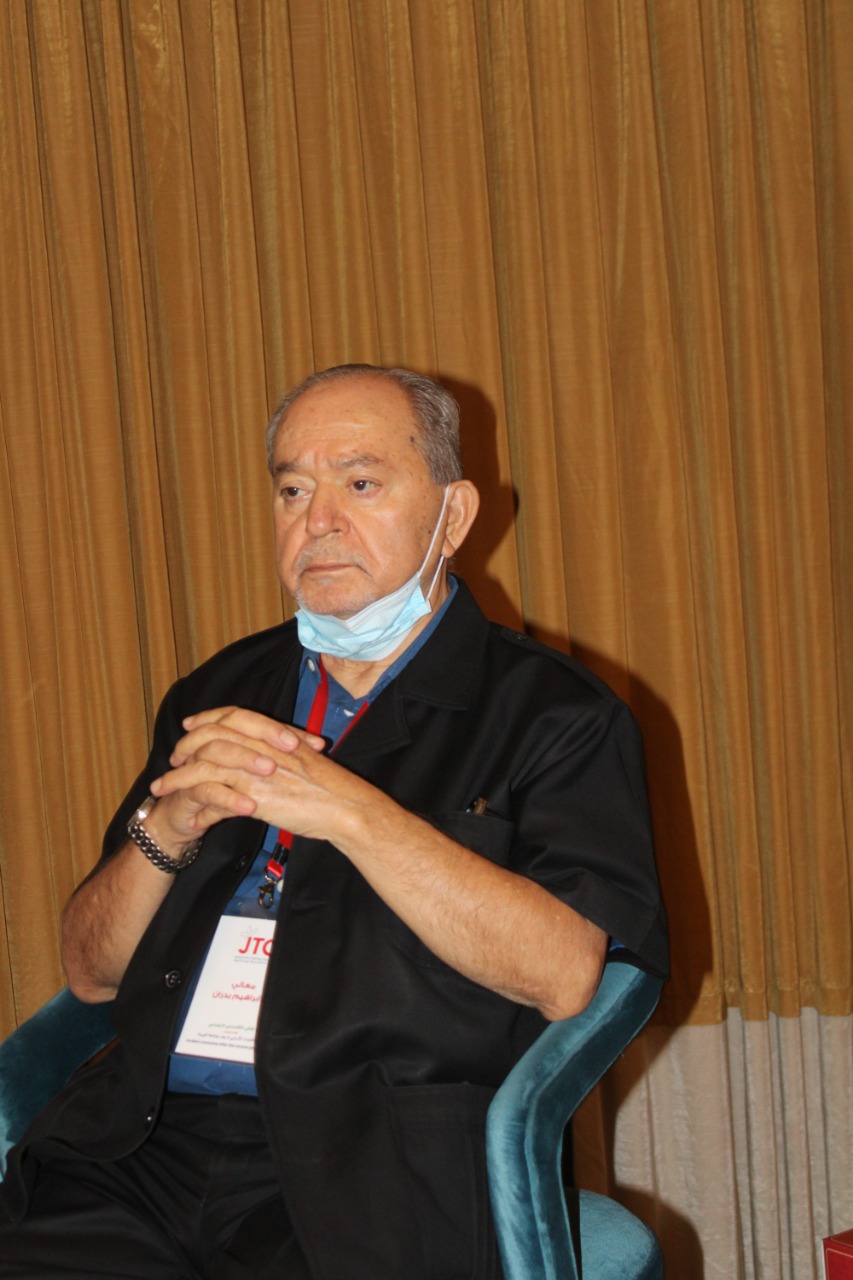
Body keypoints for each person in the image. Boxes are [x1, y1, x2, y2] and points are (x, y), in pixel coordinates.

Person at [0, 364, 667, 1278]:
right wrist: (171, 824)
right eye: (292, 489)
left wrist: (352, 812)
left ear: (453, 516)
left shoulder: (556, 715)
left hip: (369, 1167)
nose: (317, 520)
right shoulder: (220, 691)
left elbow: (562, 978)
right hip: (141, 1148)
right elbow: (90, 972)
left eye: (360, 483)